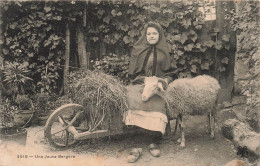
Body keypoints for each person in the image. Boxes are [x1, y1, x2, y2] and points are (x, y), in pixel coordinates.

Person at [124, 21, 173, 163]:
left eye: (154, 33)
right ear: (145, 35)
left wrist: (162, 82)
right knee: (132, 100)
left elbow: (172, 73)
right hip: (139, 83)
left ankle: (154, 141)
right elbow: (132, 74)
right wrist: (144, 80)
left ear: (160, 35)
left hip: (158, 86)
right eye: (149, 33)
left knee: (157, 103)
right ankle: (136, 145)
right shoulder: (138, 49)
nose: (151, 36)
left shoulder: (166, 50)